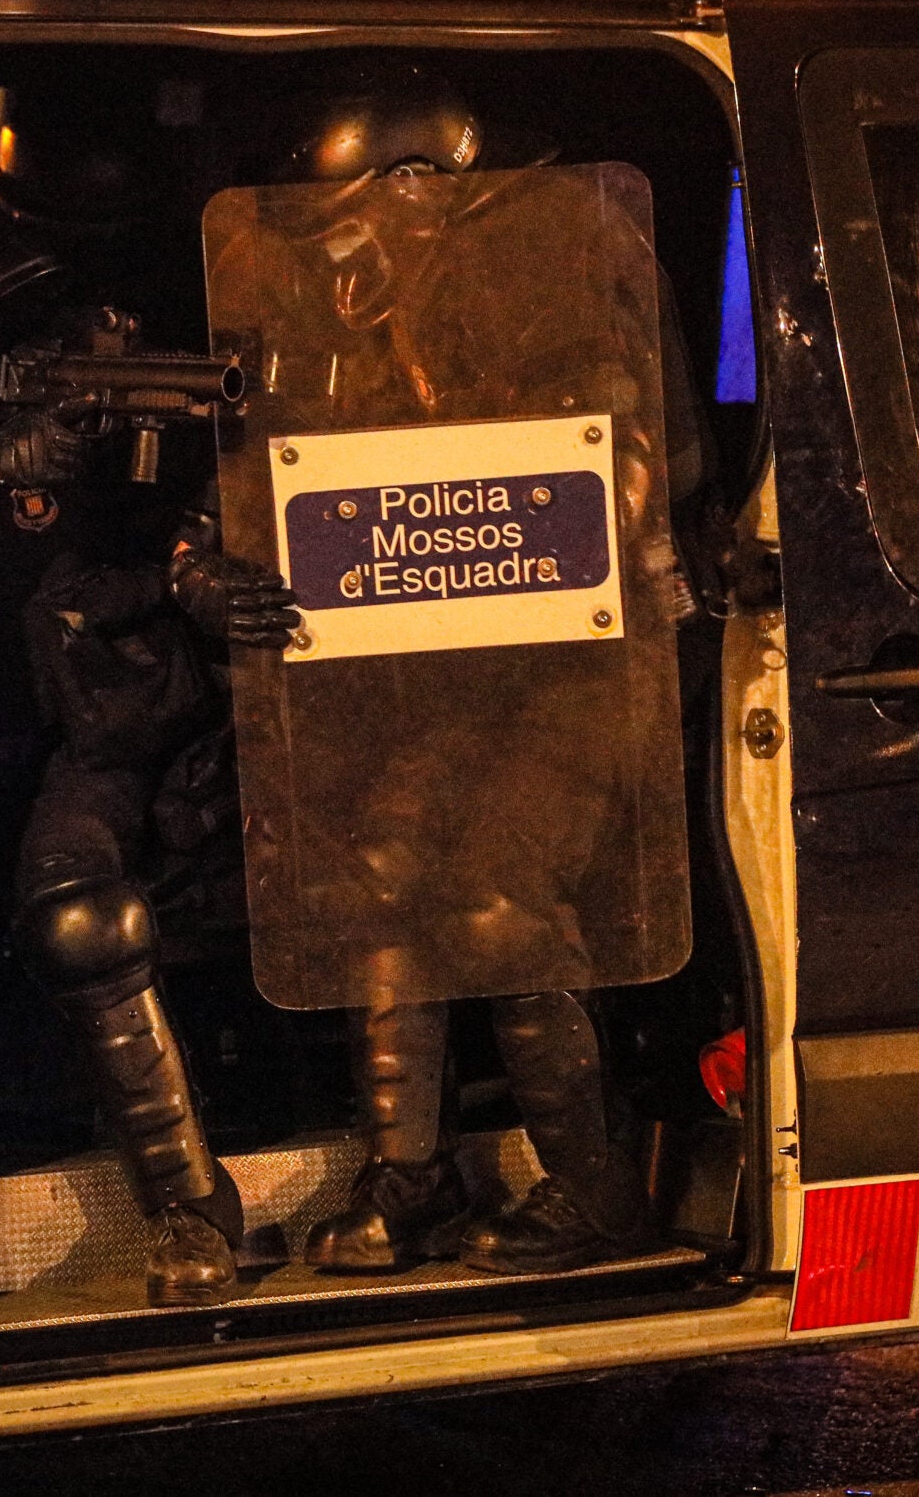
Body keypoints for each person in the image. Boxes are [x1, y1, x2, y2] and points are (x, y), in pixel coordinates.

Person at [255, 63, 688, 1277]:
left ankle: (598, 1195)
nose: (336, 266)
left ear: (413, 192)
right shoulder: (426, 291)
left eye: (347, 229)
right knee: (381, 872)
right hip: (476, 659)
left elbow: (611, 476)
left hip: (590, 663)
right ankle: (412, 1178)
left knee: (496, 895)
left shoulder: (546, 258)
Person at [0, 83, 298, 1307]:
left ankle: (207, 1205)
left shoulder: (211, 303)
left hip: (157, 698)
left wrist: (202, 573)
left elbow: (272, 500)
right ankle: (178, 1200)